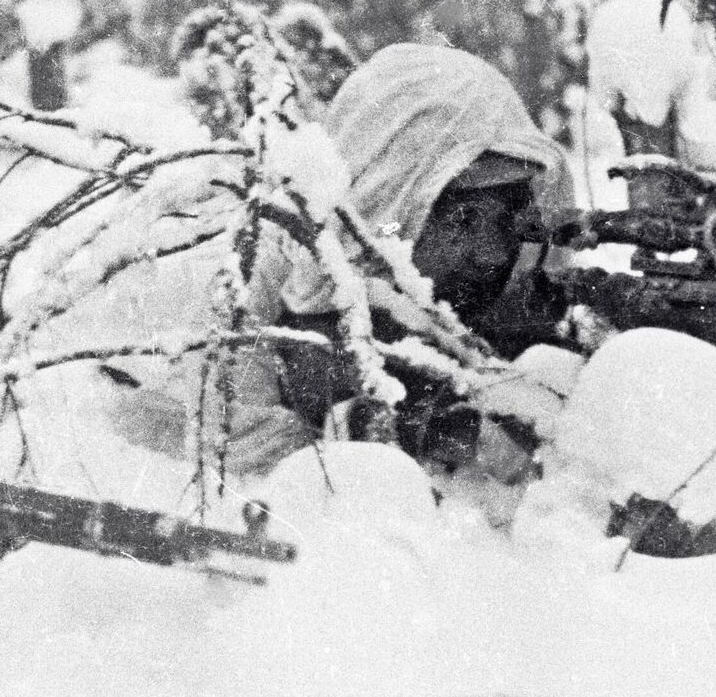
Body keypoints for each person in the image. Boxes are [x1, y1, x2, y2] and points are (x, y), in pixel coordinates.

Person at [108, 42, 576, 477]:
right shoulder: (263, 279)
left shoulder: (537, 309)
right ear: (390, 194)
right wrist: (382, 435)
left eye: (507, 222)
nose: (492, 252)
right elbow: (170, 422)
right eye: (463, 219)